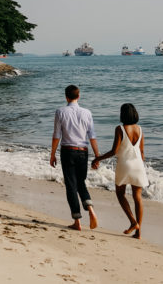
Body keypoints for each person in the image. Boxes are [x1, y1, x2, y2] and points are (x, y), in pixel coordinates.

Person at [92, 103, 148, 239]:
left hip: (124, 165)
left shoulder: (120, 129)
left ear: (123, 114)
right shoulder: (140, 129)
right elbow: (142, 152)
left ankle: (133, 222)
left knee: (120, 194)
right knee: (138, 198)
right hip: (139, 166)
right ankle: (138, 233)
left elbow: (114, 151)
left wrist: (97, 158)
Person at [49, 84, 100, 230]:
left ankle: (77, 221)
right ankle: (90, 208)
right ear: (79, 96)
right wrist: (97, 156)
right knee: (81, 183)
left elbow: (56, 136)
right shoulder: (87, 113)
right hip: (83, 151)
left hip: (68, 151)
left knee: (71, 186)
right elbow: (92, 136)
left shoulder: (60, 112)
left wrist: (52, 155)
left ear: (66, 96)